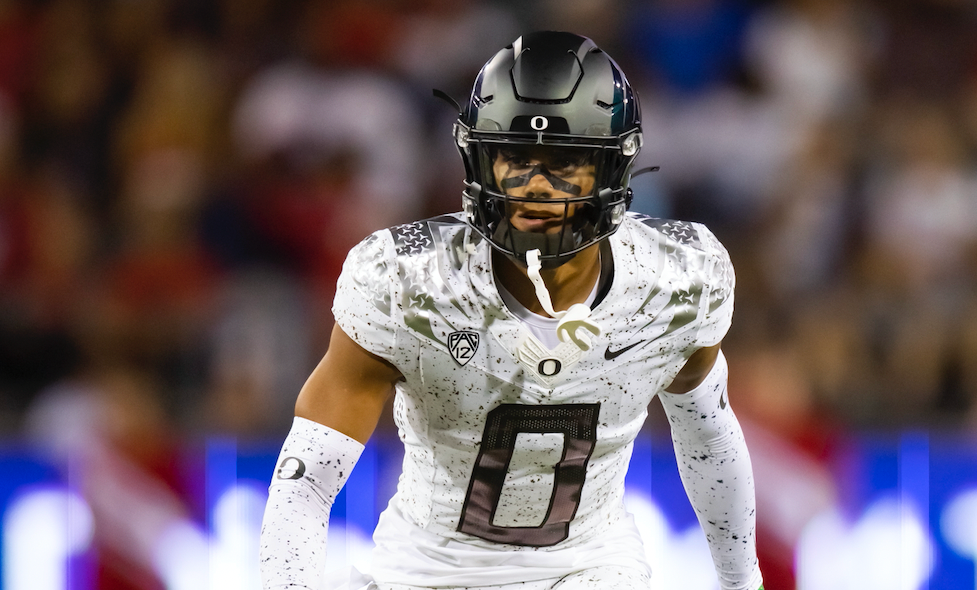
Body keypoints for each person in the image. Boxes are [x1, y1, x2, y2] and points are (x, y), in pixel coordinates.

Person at [259, 31, 765, 590]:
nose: (536, 187)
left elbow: (709, 436)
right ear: (480, 159)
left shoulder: (676, 280)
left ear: (612, 169)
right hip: (423, 571)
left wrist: (742, 582)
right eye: (516, 157)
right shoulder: (407, 281)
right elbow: (306, 482)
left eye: (566, 162)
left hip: (588, 570)